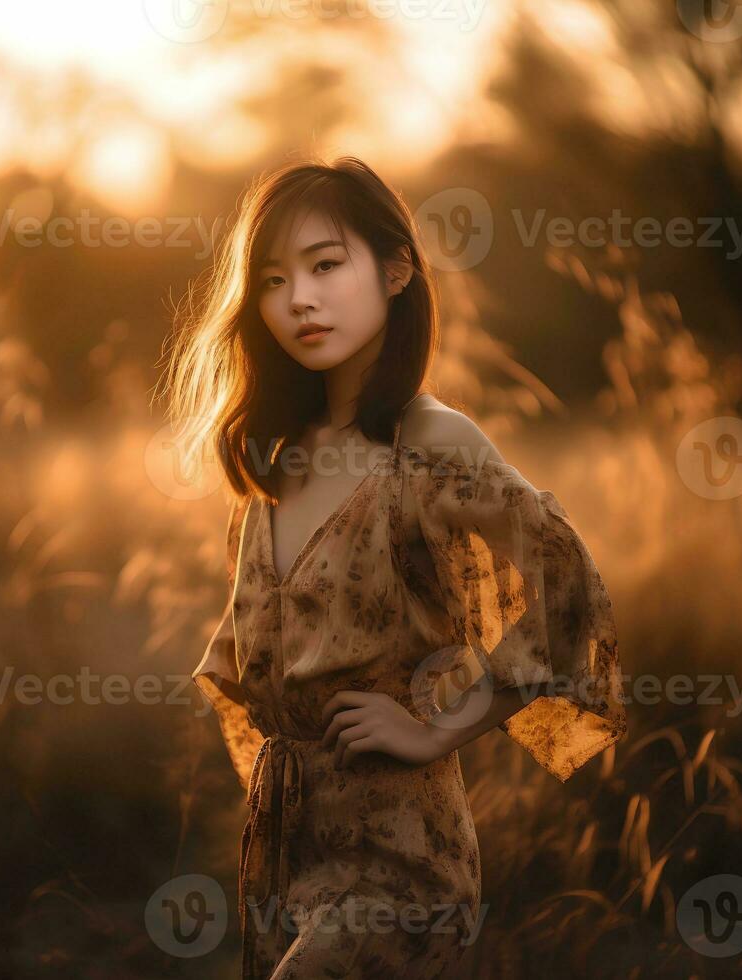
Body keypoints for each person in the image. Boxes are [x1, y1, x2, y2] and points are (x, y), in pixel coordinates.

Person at [159, 156, 627, 978]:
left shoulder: (431, 443)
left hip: (401, 863)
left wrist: (438, 727)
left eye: (325, 264)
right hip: (286, 858)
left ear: (398, 269)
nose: (298, 298)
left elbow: (565, 587)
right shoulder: (276, 457)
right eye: (272, 280)